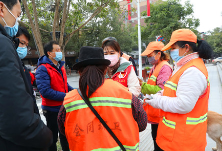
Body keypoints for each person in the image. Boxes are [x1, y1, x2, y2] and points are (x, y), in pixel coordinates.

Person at [57, 46, 147, 151]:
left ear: (80, 72)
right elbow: (142, 123)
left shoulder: (69, 100)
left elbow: (63, 129)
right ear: (105, 70)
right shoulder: (124, 93)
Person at [145, 29, 213, 151]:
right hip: (173, 139)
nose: (171, 52)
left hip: (183, 142)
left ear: (186, 47)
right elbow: (174, 90)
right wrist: (159, 94)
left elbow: (184, 105)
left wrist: (158, 101)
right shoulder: (184, 66)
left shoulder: (192, 71)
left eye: (173, 48)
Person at [0, 0, 53, 150]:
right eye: (17, 15)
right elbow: (16, 119)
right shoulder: (3, 45)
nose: (17, 21)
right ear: (2, 8)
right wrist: (45, 136)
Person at [35, 41, 73, 151]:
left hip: (63, 106)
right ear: (49, 53)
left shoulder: (60, 66)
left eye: (60, 50)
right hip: (52, 110)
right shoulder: (43, 69)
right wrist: (66, 95)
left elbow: (65, 84)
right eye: (56, 50)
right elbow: (45, 91)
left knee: (65, 135)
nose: (59, 52)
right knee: (53, 138)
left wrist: (74, 92)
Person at [140, 41, 172, 151]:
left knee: (159, 142)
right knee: (155, 139)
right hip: (156, 112)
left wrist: (142, 86)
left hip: (161, 113)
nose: (149, 58)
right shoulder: (156, 66)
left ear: (159, 54)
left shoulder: (164, 68)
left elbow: (162, 90)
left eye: (150, 55)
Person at [15, 26, 40, 115]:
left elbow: (31, 96)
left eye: (26, 45)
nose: (24, 48)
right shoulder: (7, 67)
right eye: (22, 43)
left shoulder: (24, 69)